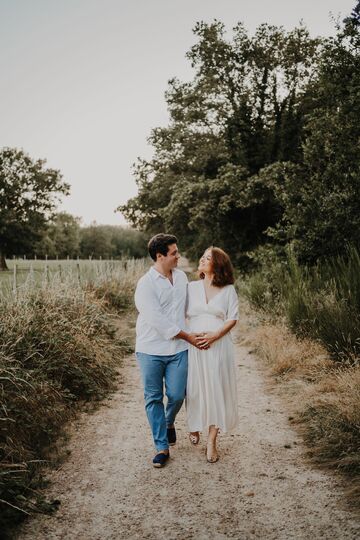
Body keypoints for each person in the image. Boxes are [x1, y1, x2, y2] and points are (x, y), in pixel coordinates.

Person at [134, 233, 203, 468]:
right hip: (150, 349)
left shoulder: (182, 277)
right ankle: (161, 447)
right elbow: (158, 321)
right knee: (153, 397)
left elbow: (190, 308)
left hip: (178, 349)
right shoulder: (145, 285)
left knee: (176, 395)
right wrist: (188, 336)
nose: (178, 256)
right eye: (174, 253)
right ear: (160, 256)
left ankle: (168, 421)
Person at [186, 246, 239, 463]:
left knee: (217, 391)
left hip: (218, 346)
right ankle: (195, 425)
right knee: (195, 390)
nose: (202, 259)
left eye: (207, 258)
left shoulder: (228, 290)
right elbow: (180, 315)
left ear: (217, 264)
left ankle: (212, 441)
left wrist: (215, 335)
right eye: (203, 256)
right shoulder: (190, 287)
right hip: (195, 346)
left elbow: (232, 318)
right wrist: (191, 337)